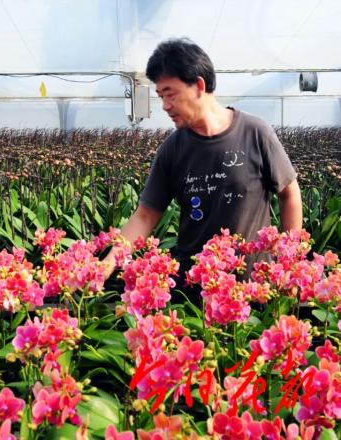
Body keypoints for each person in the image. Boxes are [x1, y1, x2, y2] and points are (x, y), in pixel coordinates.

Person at [104, 38, 302, 303]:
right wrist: (108, 262)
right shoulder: (172, 149)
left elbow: (289, 193)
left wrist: (291, 262)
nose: (164, 105)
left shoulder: (255, 133)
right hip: (193, 292)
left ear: (199, 85)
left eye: (170, 93)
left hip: (253, 289)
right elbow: (145, 215)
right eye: (160, 96)